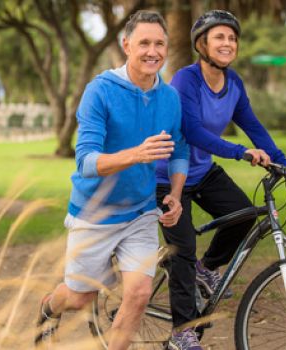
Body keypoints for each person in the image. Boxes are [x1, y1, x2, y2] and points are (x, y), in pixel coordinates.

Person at [35, 10, 189, 350]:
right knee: (80, 298)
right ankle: (49, 307)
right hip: (95, 212)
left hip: (140, 212)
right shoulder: (99, 91)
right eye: (144, 43)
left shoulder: (170, 98)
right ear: (126, 45)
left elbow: (179, 150)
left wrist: (176, 193)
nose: (153, 52)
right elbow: (87, 162)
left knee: (139, 292)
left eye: (159, 44)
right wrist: (137, 154)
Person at [155, 10, 286, 350]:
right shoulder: (185, 80)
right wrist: (241, 152)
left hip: (203, 172)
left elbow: (252, 125)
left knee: (245, 216)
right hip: (166, 177)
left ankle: (205, 269)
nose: (227, 43)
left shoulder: (233, 82)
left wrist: (282, 162)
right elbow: (191, 131)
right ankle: (182, 332)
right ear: (201, 44)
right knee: (182, 251)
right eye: (219, 37)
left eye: (232, 38)